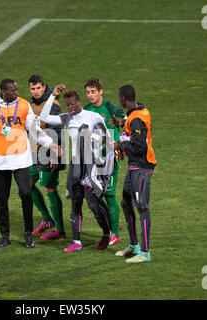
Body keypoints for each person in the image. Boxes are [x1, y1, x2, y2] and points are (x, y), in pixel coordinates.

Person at [0, 78, 61, 249]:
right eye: (13, 91)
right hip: (0, 160)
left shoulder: (24, 105)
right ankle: (5, 235)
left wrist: (51, 143)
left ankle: (28, 233)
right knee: (2, 199)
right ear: (3, 92)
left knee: (26, 194)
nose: (17, 93)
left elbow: (34, 130)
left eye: (17, 90)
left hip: (21, 158)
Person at [40, 84, 113, 253]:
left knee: (93, 204)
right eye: (68, 105)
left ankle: (106, 234)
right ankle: (77, 242)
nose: (70, 108)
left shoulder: (93, 116)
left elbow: (107, 141)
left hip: (91, 164)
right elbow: (44, 117)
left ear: (79, 102)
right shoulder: (67, 118)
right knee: (75, 203)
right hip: (76, 165)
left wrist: (91, 135)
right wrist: (53, 96)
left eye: (73, 104)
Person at [113, 84, 157, 263]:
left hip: (142, 167)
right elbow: (135, 126)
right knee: (125, 203)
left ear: (124, 99)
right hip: (133, 167)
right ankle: (134, 245)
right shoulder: (137, 112)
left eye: (119, 98)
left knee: (142, 207)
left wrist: (120, 145)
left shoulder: (137, 118)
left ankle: (145, 253)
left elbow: (140, 146)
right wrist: (122, 123)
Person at [83, 78, 125, 246]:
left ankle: (114, 233)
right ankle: (112, 220)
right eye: (88, 92)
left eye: (93, 92)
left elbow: (129, 125)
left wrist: (120, 145)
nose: (90, 95)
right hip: (93, 159)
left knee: (109, 193)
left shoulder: (112, 108)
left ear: (101, 92)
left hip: (110, 158)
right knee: (93, 195)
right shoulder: (86, 110)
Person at [27, 75, 66, 240]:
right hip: (33, 153)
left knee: (50, 188)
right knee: (26, 185)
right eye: (32, 88)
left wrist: (54, 156)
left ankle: (60, 229)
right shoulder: (31, 105)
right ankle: (47, 220)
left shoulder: (52, 105)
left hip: (48, 153)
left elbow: (57, 131)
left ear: (44, 88)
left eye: (38, 88)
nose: (36, 91)